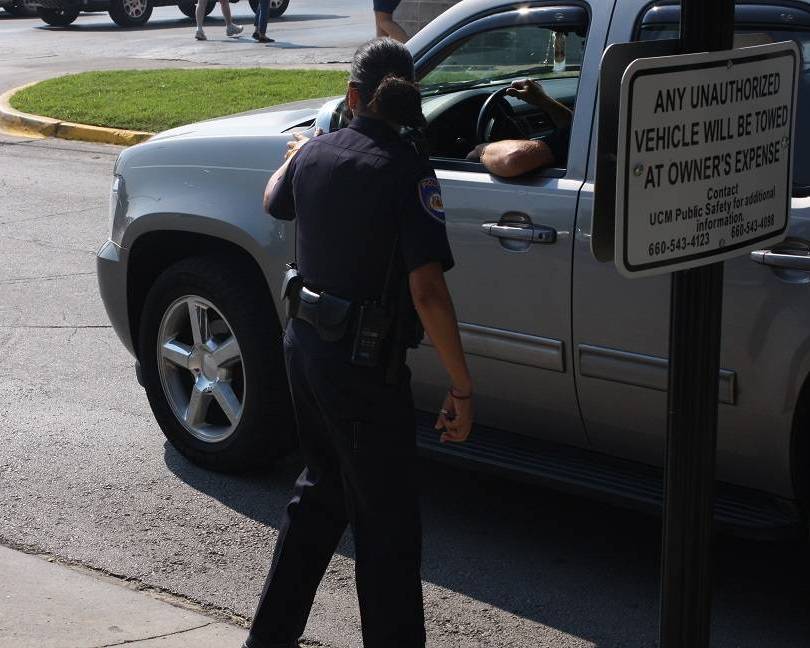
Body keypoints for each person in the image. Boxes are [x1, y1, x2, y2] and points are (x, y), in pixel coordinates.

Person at [241, 38, 473, 648]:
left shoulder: (315, 154)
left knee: (319, 499)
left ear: (353, 97)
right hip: (365, 371)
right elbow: (427, 291)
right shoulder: (407, 170)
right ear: (411, 98)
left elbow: (273, 198)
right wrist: (463, 386)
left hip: (307, 354)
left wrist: (299, 151)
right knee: (388, 532)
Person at [467, 78, 574, 177]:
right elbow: (574, 130)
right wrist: (544, 101)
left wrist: (480, 151)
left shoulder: (586, 141)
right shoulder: (585, 134)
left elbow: (514, 158)